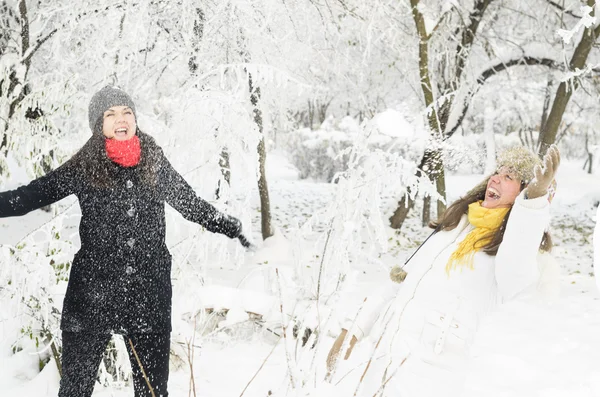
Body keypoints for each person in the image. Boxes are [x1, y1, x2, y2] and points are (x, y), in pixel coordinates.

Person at [0, 86, 251, 397]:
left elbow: (190, 203)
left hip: (148, 293)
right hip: (92, 294)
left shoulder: (154, 162)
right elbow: (32, 195)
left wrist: (226, 225)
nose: (121, 119)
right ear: (99, 125)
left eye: (126, 112)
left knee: (152, 391)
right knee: (74, 391)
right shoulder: (84, 166)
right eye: (111, 114)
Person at [326, 145, 560, 396]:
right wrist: (352, 330)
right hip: (385, 359)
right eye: (497, 172)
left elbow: (518, 251)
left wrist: (534, 200)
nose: (496, 178)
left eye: (508, 177)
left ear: (522, 192)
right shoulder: (455, 225)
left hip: (432, 375)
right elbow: (399, 282)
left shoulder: (511, 255)